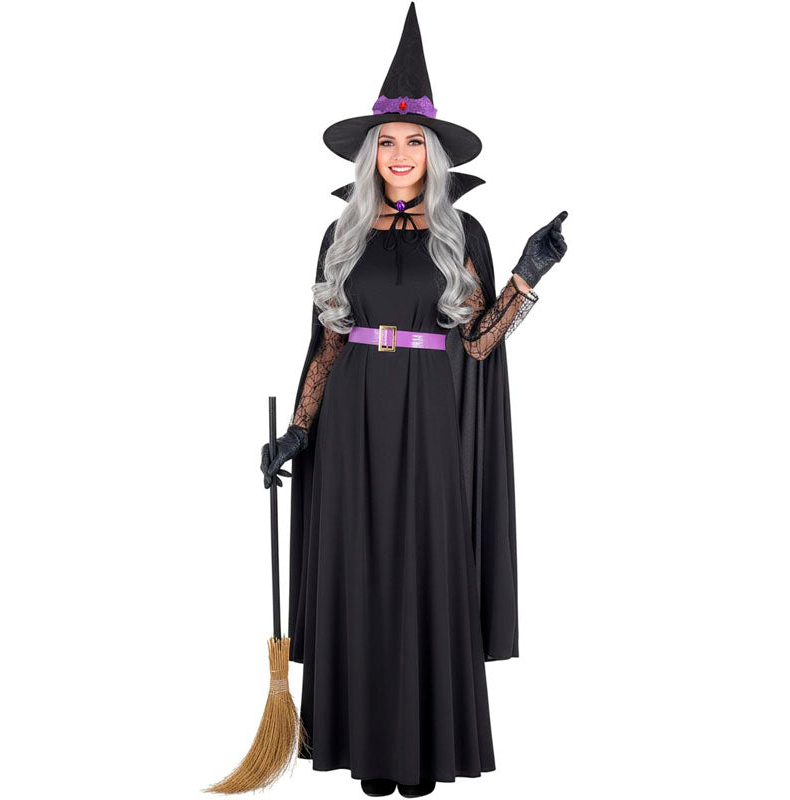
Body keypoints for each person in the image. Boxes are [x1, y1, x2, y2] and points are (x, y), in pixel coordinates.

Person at [260, 4, 568, 797]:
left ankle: (423, 752)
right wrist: (298, 431)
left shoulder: (462, 234)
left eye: (414, 142)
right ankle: (365, 750)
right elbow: (328, 342)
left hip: (429, 415)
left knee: (427, 563)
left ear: (433, 153)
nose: (400, 155)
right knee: (358, 566)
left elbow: (478, 343)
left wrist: (526, 276)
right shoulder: (342, 235)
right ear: (372, 155)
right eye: (388, 143)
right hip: (352, 413)